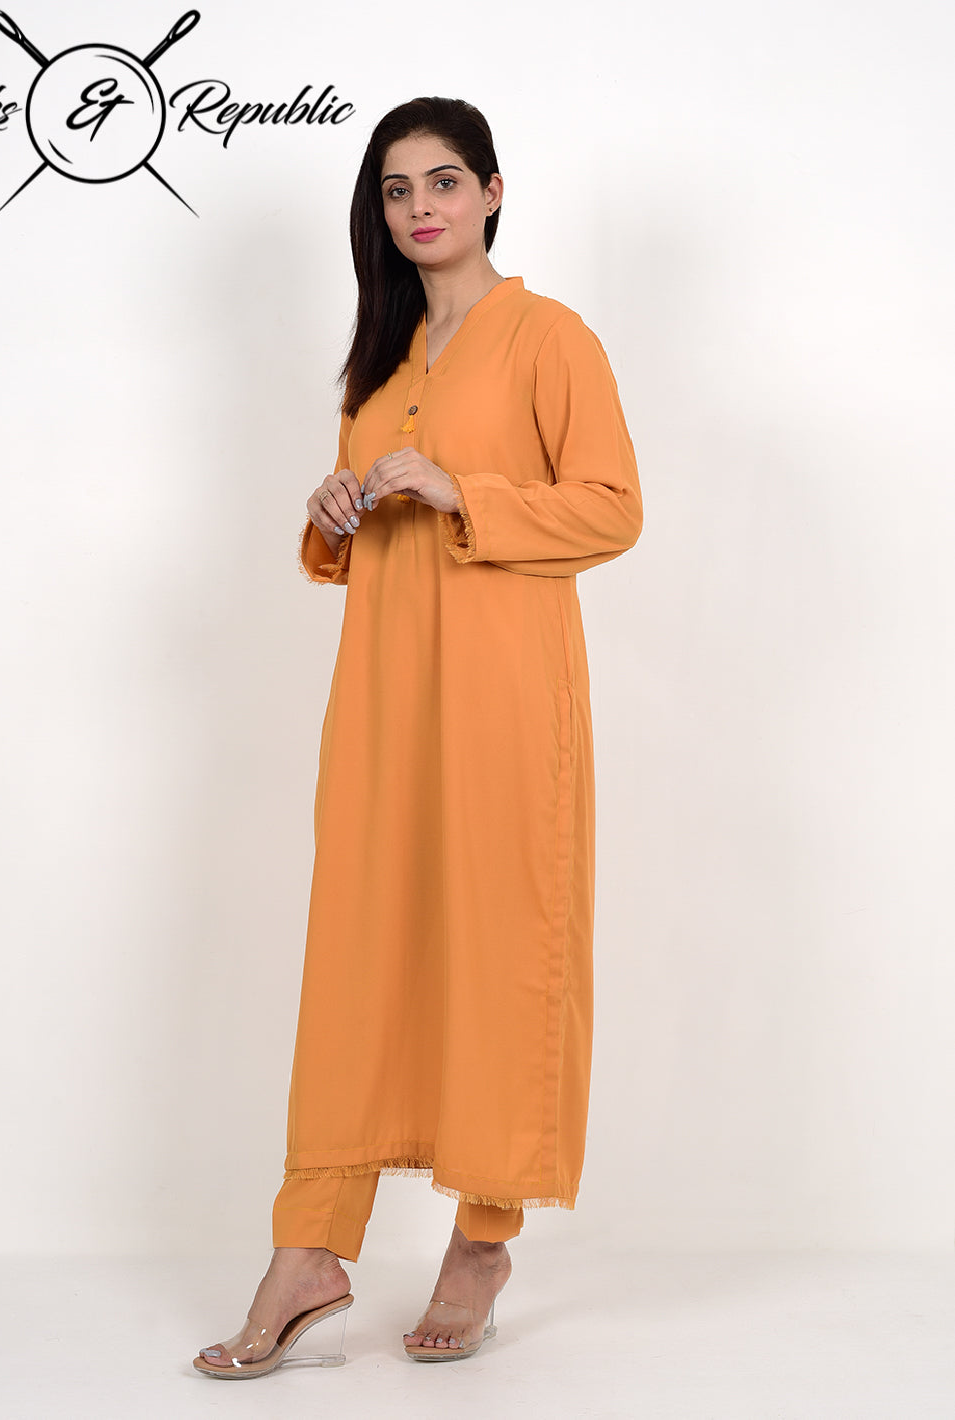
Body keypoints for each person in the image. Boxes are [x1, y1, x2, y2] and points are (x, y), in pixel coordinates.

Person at [193, 95, 643, 1379]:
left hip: (506, 698)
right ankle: (309, 1248)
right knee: (359, 950)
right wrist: (335, 510)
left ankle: (483, 1238)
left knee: (499, 943)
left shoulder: (551, 338)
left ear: (492, 192)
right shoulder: (381, 366)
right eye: (396, 190)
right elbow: (360, 551)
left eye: (443, 180)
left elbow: (614, 508)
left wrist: (464, 489)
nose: (420, 206)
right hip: (384, 698)